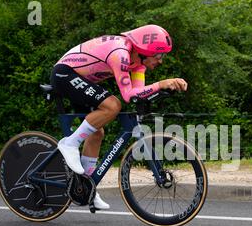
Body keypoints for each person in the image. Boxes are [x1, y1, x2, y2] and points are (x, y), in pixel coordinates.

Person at [50, 24, 188, 210]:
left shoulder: (138, 64)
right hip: (64, 74)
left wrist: (162, 90)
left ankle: (87, 188)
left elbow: (138, 93)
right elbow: (128, 95)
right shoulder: (120, 53)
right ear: (146, 50)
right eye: (159, 55)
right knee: (113, 105)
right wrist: (161, 84)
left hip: (82, 80)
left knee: (96, 133)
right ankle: (69, 143)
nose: (161, 61)